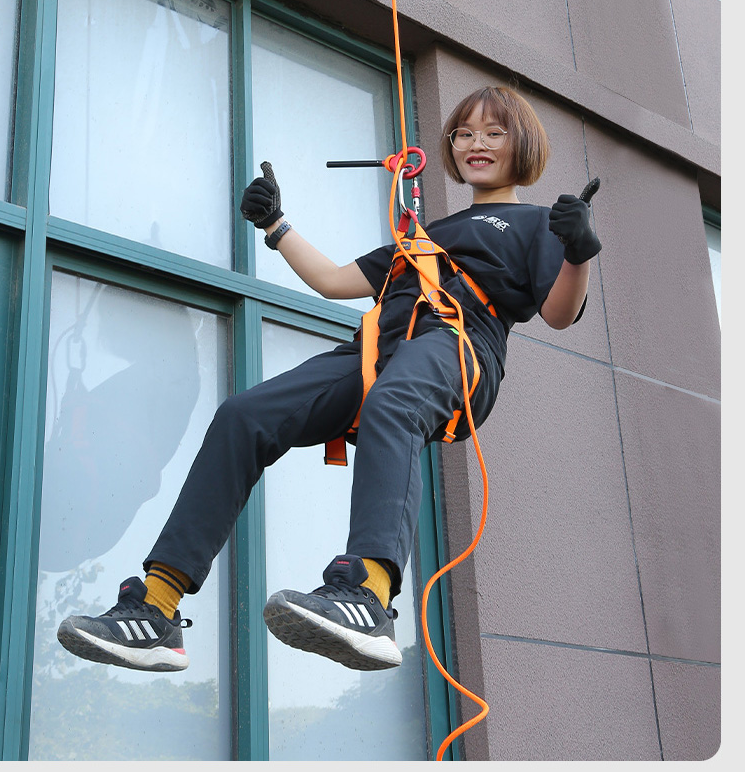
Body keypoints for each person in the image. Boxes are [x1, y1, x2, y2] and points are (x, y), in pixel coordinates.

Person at [57, 86, 601, 674]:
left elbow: (558, 313)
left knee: (394, 403)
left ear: (522, 144)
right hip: (380, 350)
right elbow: (336, 281)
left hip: (458, 345)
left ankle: (368, 596)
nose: (476, 143)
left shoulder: (539, 224)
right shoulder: (428, 232)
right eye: (464, 133)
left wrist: (578, 251)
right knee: (246, 414)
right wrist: (276, 223)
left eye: (493, 132)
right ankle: (158, 607)